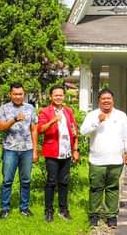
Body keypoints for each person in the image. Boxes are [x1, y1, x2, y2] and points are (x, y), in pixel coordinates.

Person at [80, 88, 127, 229]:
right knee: (96, 188)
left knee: (113, 188)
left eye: (108, 98)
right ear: (99, 100)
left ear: (113, 100)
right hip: (97, 160)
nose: (106, 101)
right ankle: (94, 215)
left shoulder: (121, 116)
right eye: (103, 98)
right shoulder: (92, 115)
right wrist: (97, 121)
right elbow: (83, 131)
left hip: (116, 160)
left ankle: (111, 216)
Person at [37, 85, 80, 223]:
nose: (58, 97)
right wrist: (53, 120)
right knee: (51, 182)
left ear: (64, 96)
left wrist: (75, 150)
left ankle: (63, 210)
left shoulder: (68, 111)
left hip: (66, 152)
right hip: (52, 152)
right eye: (56, 95)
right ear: (51, 97)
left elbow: (74, 131)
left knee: (64, 182)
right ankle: (49, 211)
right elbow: (40, 129)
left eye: (61, 95)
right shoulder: (45, 111)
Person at [0, 83, 38, 219]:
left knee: (26, 180)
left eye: (20, 94)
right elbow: (1, 127)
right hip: (10, 150)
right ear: (10, 94)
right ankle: (4, 208)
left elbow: (34, 129)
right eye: (15, 94)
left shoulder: (30, 108)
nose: (18, 96)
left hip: (27, 149)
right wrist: (14, 119)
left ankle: (24, 208)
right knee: (7, 180)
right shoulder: (4, 108)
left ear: (24, 94)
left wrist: (35, 150)